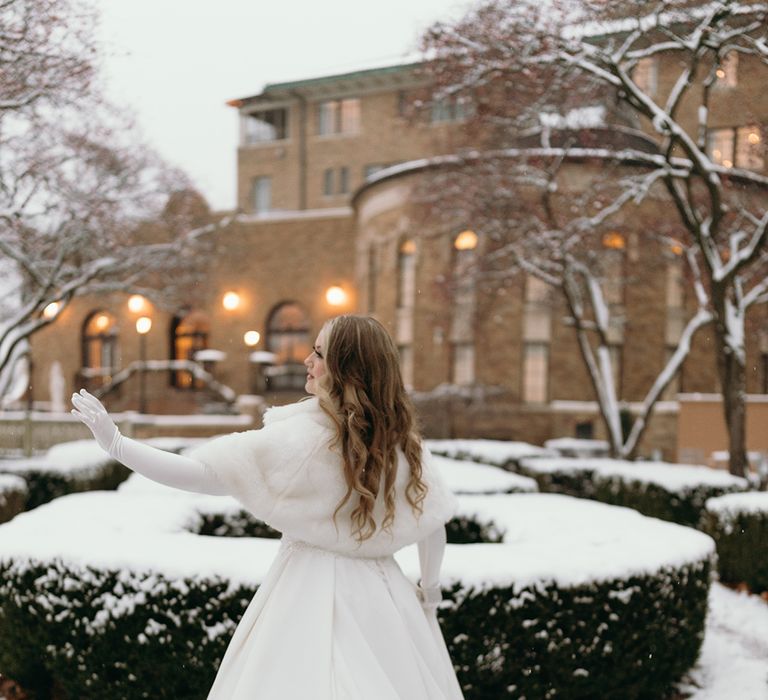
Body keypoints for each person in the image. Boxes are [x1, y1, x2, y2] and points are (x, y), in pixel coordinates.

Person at [71, 314, 464, 699]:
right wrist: (429, 595)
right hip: (387, 603)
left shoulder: (302, 439)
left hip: (306, 596)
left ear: (347, 369)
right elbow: (432, 525)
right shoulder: (401, 444)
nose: (307, 361)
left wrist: (118, 445)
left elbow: (203, 475)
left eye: (319, 354)